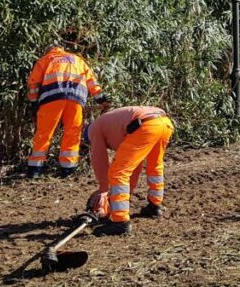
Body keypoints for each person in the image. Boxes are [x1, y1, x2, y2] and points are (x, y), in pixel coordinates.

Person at [25, 31, 109, 178]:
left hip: (51, 98)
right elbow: (91, 81)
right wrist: (100, 98)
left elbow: (33, 83)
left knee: (44, 132)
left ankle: (35, 169)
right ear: (62, 48)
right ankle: (68, 168)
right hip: (75, 98)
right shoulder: (78, 60)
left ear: (49, 50)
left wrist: (33, 102)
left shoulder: (45, 60)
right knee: (73, 131)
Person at [84, 106, 174, 235]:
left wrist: (104, 189)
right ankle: (155, 206)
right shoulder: (109, 125)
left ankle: (120, 222)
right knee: (155, 166)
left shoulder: (93, 130)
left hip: (145, 126)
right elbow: (133, 167)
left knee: (117, 172)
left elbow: (100, 161)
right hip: (164, 123)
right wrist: (124, 194)